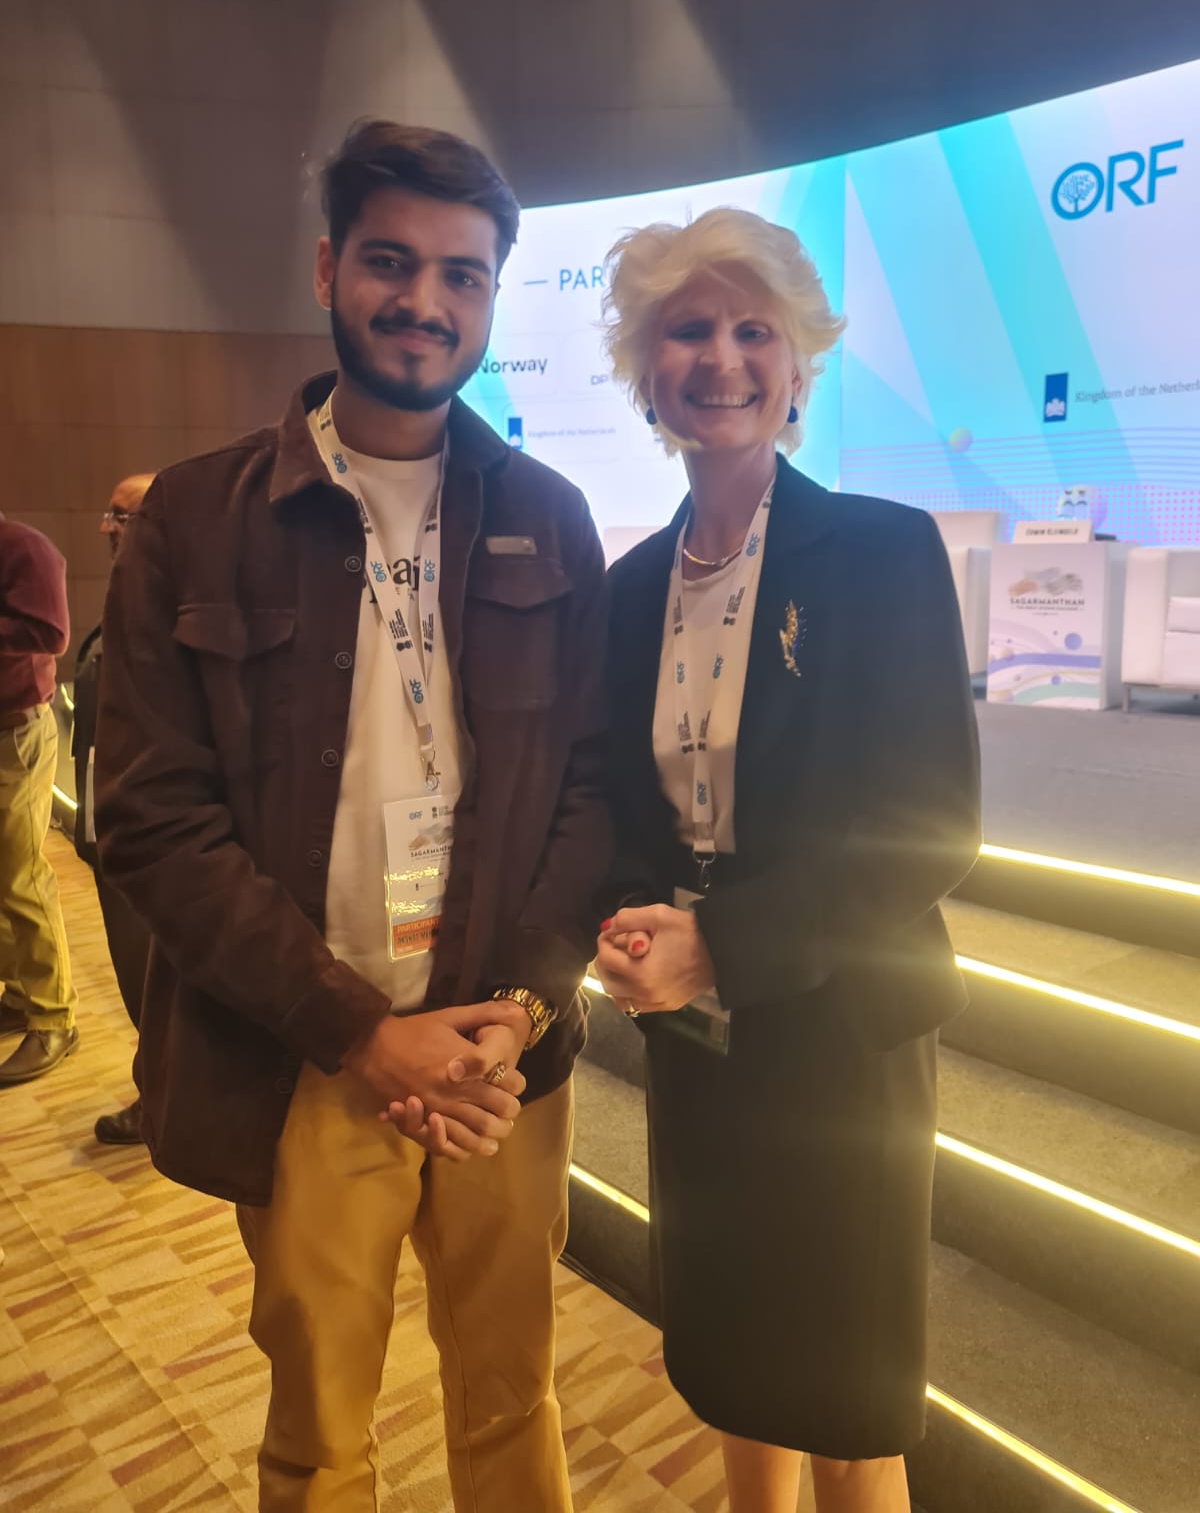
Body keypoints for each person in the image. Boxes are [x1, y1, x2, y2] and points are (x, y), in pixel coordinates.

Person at [95, 121, 609, 1513]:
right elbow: (151, 821)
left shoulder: (553, 518)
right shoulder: (199, 519)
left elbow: (589, 785)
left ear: (494, 298)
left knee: (512, 1395)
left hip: (503, 1060)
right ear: (330, 268)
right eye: (391, 261)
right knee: (322, 1430)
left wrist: (520, 1003)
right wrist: (357, 1032)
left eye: (463, 274)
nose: (424, 302)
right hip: (314, 1051)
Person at [594, 208, 981, 1513]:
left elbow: (930, 824)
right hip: (701, 1050)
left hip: (843, 1040)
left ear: (799, 362)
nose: (721, 357)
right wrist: (633, 926)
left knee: (847, 1404)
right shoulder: (633, 585)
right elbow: (622, 811)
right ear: (649, 369)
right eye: (688, 329)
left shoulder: (878, 551)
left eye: (752, 329)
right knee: (733, 1367)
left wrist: (727, 944)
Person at [72, 474, 155, 1143]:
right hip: (111, 831)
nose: (106, 527)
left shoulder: (176, 601)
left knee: (156, 980)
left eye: (121, 515)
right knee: (137, 975)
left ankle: (166, 1099)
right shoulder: (127, 595)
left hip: (153, 842)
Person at [0, 511, 79, 1086]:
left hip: (17, 733)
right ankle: (22, 990)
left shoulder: (26, 548)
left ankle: (55, 1019)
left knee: (21, 876)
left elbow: (51, 633)